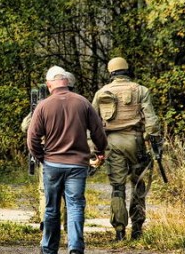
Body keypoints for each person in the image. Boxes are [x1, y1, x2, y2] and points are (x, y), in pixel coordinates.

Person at [27, 65, 107, 254]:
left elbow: (32, 139)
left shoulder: (43, 106)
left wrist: (42, 157)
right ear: (66, 81)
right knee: (75, 206)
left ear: (49, 85)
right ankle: (75, 248)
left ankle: (48, 249)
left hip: (52, 165)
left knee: (51, 208)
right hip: (77, 165)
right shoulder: (82, 102)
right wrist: (100, 150)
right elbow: (98, 132)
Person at [91, 57, 161, 241]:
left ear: (111, 72)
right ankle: (137, 228)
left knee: (117, 187)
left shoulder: (102, 93)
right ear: (127, 70)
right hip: (135, 141)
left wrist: (95, 149)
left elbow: (93, 123)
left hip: (111, 143)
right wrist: (152, 141)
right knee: (138, 184)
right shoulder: (141, 90)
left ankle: (119, 231)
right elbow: (151, 121)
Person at [20, 72, 77, 231]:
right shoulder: (79, 104)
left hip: (50, 155)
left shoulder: (45, 105)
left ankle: (48, 223)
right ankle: (69, 227)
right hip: (73, 155)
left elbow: (26, 127)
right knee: (70, 194)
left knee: (46, 190)